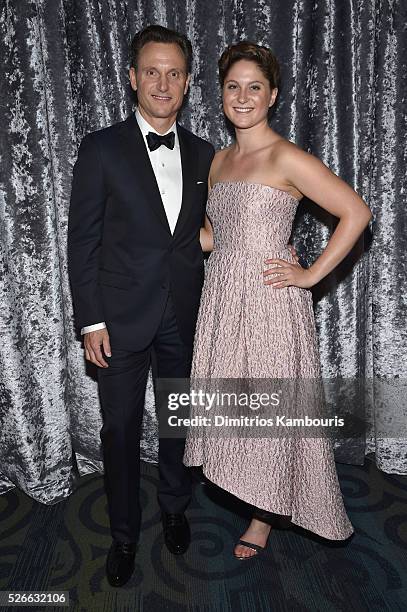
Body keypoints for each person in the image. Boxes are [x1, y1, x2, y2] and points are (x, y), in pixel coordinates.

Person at [183, 42, 372, 559]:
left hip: (269, 305)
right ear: (220, 94)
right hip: (222, 299)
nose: (243, 97)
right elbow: (216, 235)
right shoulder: (219, 160)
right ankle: (249, 488)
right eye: (233, 86)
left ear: (273, 95)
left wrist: (309, 274)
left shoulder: (286, 156)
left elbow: (356, 213)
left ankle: (262, 518)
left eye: (255, 87)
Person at [67, 25, 215, 587]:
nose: (162, 82)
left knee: (179, 423)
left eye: (174, 72)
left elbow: (204, 233)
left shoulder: (205, 154)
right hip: (118, 321)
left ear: (186, 82)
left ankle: (175, 508)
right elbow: (82, 241)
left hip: (184, 313)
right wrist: (91, 320)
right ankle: (124, 536)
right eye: (151, 71)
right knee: (120, 430)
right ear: (131, 78)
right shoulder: (102, 147)